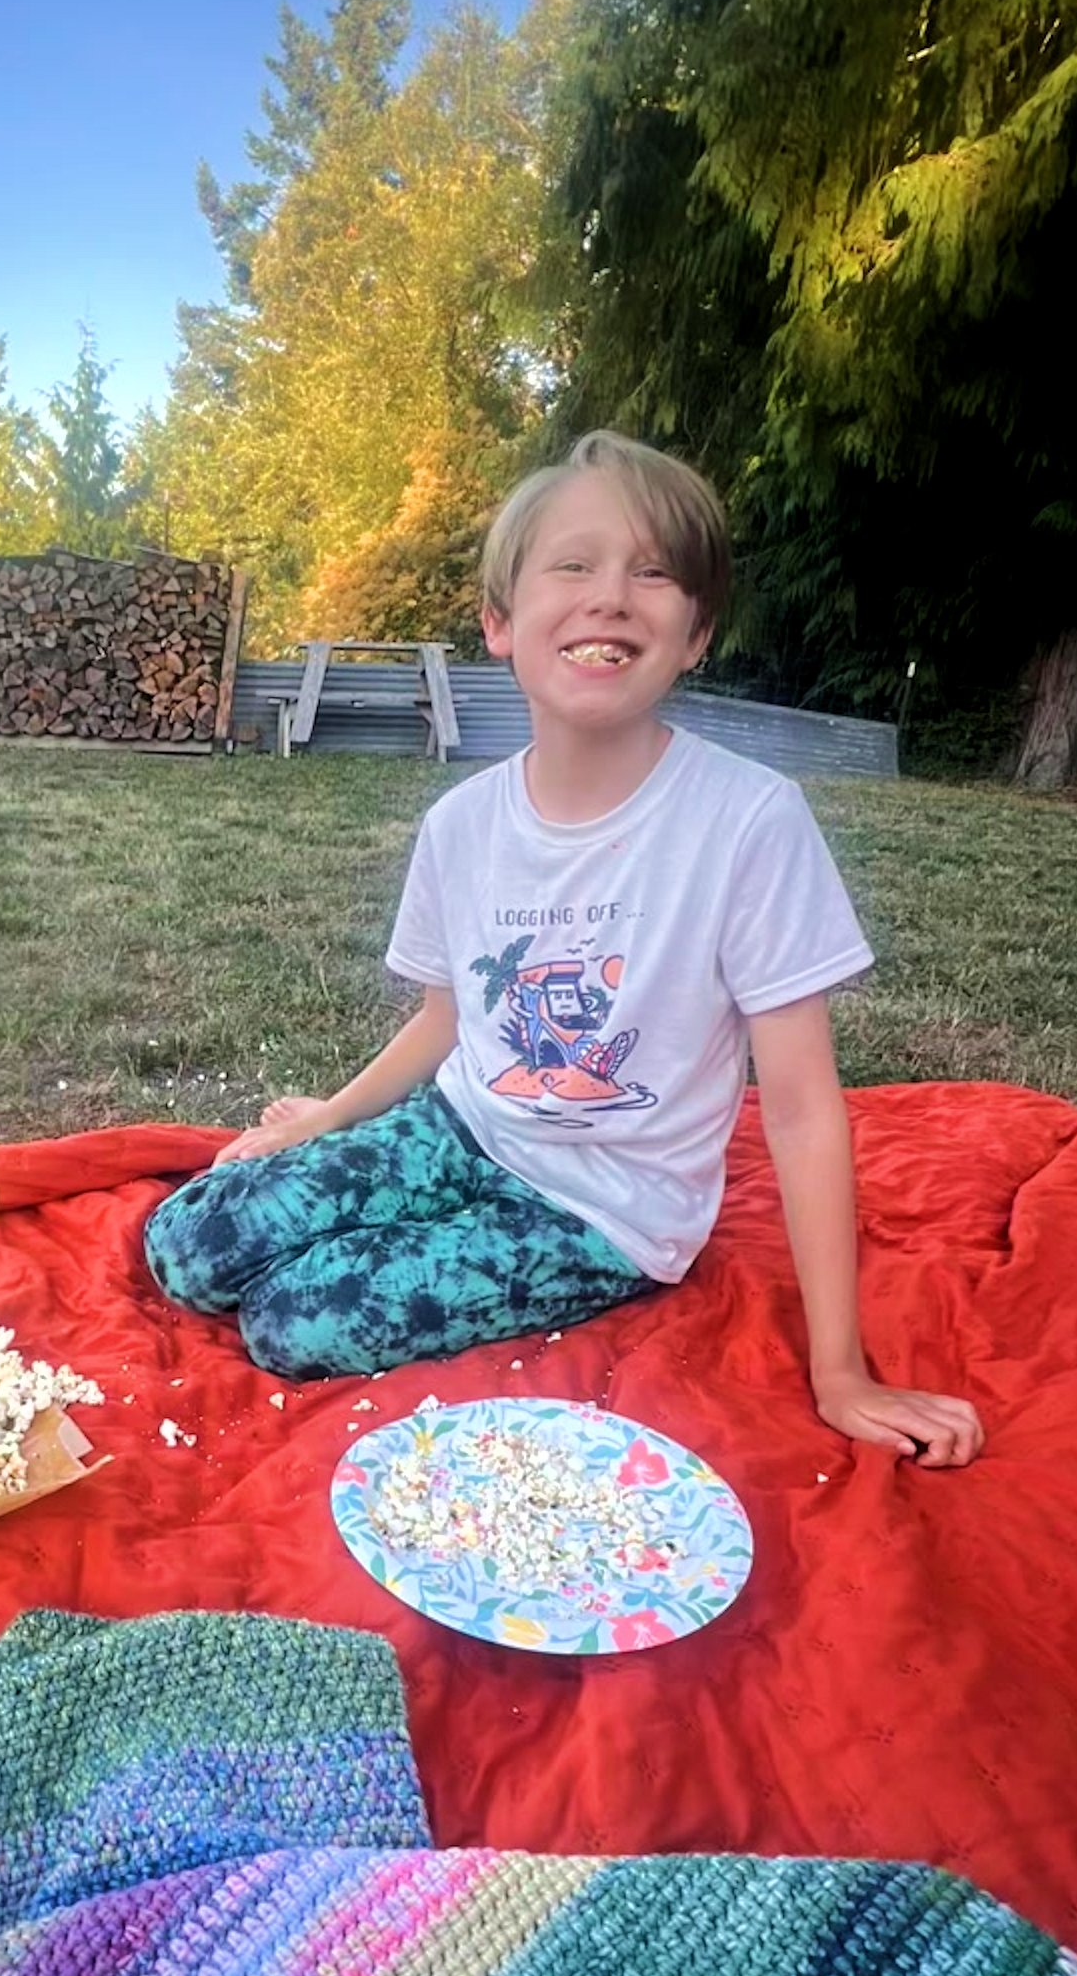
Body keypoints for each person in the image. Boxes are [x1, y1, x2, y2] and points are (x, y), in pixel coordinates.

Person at [143, 431, 984, 1468]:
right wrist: (328, 1119)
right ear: (500, 621)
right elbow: (447, 1020)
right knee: (185, 1245)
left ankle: (438, 1254)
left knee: (290, 1320)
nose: (611, 597)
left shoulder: (749, 821)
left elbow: (804, 1109)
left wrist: (840, 1371)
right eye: (574, 565)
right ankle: (367, 1215)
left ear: (696, 634)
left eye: (654, 573)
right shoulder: (462, 825)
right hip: (463, 1127)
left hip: (605, 1210)